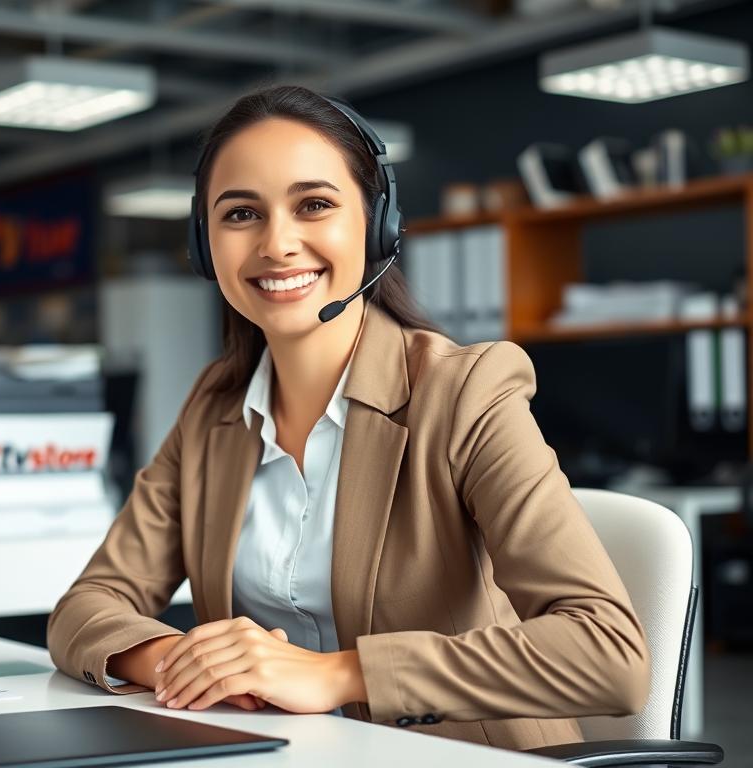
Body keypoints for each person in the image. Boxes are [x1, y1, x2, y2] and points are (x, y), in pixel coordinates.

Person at [47, 85, 650, 752]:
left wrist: (338, 675)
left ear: (376, 222)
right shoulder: (214, 410)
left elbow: (610, 655)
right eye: (241, 213)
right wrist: (174, 660)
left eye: (314, 205)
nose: (278, 244)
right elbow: (88, 606)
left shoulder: (463, 392)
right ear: (203, 242)